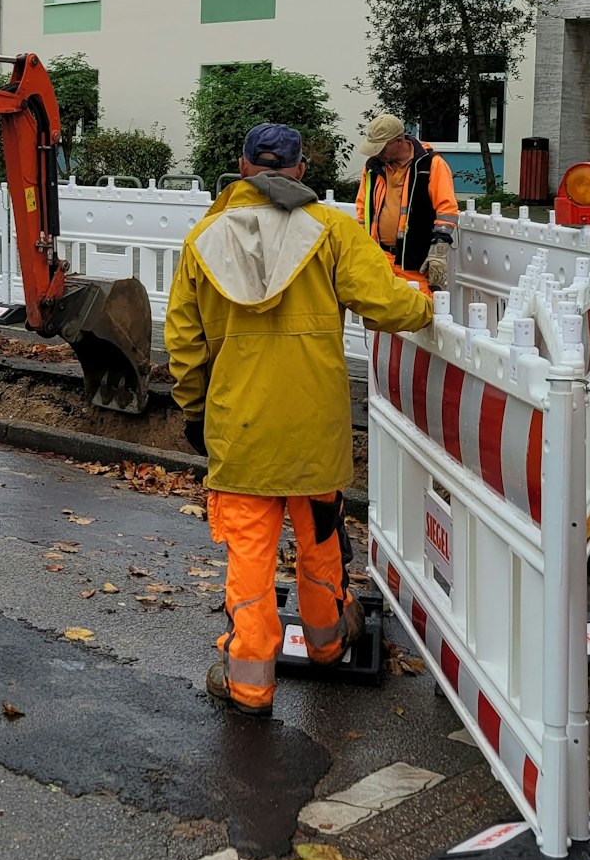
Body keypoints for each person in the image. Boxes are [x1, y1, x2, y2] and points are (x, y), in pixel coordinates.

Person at [165, 123, 435, 717]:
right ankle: (329, 645)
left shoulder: (203, 239)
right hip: (315, 434)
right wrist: (427, 301)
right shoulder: (333, 231)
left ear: (241, 167)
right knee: (319, 545)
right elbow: (390, 303)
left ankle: (250, 686)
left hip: (241, 434)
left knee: (250, 563)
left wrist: (193, 409)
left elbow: (183, 342)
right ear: (300, 171)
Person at [354, 113, 458, 291]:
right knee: (380, 315)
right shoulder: (373, 167)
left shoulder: (431, 165)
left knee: (416, 313)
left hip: (415, 263)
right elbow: (362, 211)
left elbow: (447, 211)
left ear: (399, 141)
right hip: (379, 259)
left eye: (381, 147)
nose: (376, 153)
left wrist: (438, 253)